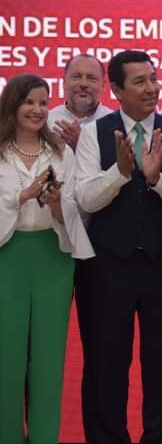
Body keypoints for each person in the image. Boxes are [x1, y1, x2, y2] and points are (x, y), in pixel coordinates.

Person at [74, 50, 162, 444]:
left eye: (154, 79)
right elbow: (85, 198)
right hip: (106, 266)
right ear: (116, 89)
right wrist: (120, 173)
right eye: (140, 81)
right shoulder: (94, 133)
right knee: (105, 363)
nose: (151, 88)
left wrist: (157, 179)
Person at [0, 73, 93, 444]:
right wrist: (22, 196)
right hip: (7, 257)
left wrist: (55, 205)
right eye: (29, 102)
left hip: (53, 259)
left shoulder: (60, 152)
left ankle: (43, 438)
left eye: (43, 102)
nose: (37, 110)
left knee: (48, 361)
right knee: (6, 360)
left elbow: (73, 209)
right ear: (12, 105)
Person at [48, 54, 113, 150]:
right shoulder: (46, 121)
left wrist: (82, 144)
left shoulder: (115, 124)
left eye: (91, 78)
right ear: (64, 82)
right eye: (76, 77)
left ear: (103, 85)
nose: (83, 84)